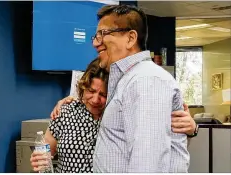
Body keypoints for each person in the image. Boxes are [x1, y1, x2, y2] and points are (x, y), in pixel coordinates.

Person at [50, 4, 194, 173]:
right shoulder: (128, 80)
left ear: (130, 38)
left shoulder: (146, 80)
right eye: (95, 36)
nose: (96, 43)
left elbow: (147, 163)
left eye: (102, 34)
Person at [30, 58, 109, 173]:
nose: (96, 100)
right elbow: (44, 153)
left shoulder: (115, 116)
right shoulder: (66, 112)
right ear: (84, 87)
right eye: (91, 91)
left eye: (103, 95)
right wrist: (38, 160)